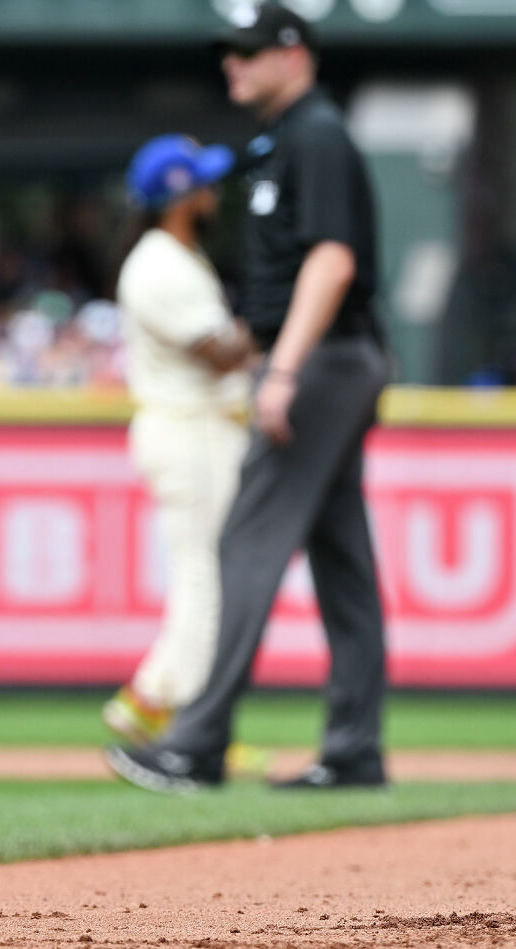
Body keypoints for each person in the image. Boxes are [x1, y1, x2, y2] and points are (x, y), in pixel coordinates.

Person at [106, 1, 391, 792]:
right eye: (229, 52)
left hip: (323, 359)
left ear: (294, 54)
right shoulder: (283, 140)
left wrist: (286, 370)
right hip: (329, 357)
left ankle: (195, 744)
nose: (232, 64)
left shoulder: (316, 135)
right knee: (342, 560)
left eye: (249, 51)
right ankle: (354, 748)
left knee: (244, 542)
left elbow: (331, 261)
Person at [100, 134, 260, 755]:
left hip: (196, 429)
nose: (212, 191)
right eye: (201, 182)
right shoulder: (159, 264)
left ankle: (160, 703)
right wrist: (286, 316)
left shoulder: (173, 255)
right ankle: (182, 719)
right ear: (180, 195)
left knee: (206, 578)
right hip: (188, 429)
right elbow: (221, 352)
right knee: (205, 580)